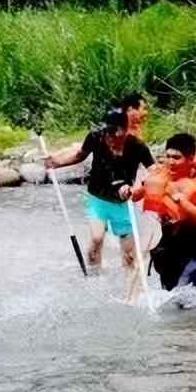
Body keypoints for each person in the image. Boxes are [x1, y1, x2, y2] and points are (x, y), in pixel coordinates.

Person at [45, 107, 155, 272]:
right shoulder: (95, 138)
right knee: (96, 240)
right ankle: (94, 279)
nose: (108, 136)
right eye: (106, 132)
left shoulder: (137, 147)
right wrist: (56, 163)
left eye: (112, 133)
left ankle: (130, 293)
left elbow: (155, 173)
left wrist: (136, 188)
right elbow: (80, 155)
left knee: (129, 254)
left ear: (125, 130)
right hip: (97, 197)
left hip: (123, 203)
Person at [132, 133, 196, 292]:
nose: (170, 161)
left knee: (184, 294)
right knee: (168, 293)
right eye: (168, 156)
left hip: (194, 243)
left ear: (190, 158)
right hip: (166, 243)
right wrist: (126, 191)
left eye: (176, 157)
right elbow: (136, 195)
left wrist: (181, 201)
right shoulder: (159, 177)